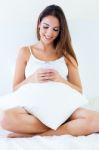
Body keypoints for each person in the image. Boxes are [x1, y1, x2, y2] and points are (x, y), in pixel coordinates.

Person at [0, 4, 99, 138]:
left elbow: (79, 90)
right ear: (39, 24)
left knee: (97, 119)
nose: (49, 33)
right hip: (33, 112)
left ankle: (37, 135)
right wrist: (32, 78)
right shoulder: (25, 52)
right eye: (46, 27)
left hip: (64, 111)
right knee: (4, 118)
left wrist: (61, 80)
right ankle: (59, 128)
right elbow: (16, 89)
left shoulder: (67, 55)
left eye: (55, 29)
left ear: (60, 31)